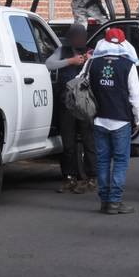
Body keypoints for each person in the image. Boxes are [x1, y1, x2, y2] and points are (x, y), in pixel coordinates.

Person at [88, 28, 139, 215]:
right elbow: (136, 96)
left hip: (99, 119)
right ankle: (115, 201)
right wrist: (138, 118)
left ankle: (104, 200)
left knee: (103, 161)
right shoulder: (128, 65)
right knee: (120, 161)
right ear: (123, 43)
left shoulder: (93, 63)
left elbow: (83, 86)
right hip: (121, 120)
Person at [45, 24, 97, 194]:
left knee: (89, 142)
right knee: (68, 143)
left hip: (84, 104)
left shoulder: (92, 51)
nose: (77, 40)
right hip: (66, 103)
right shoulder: (63, 50)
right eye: (74, 37)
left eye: (80, 37)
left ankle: (91, 177)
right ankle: (69, 177)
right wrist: (70, 61)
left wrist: (90, 60)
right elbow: (49, 64)